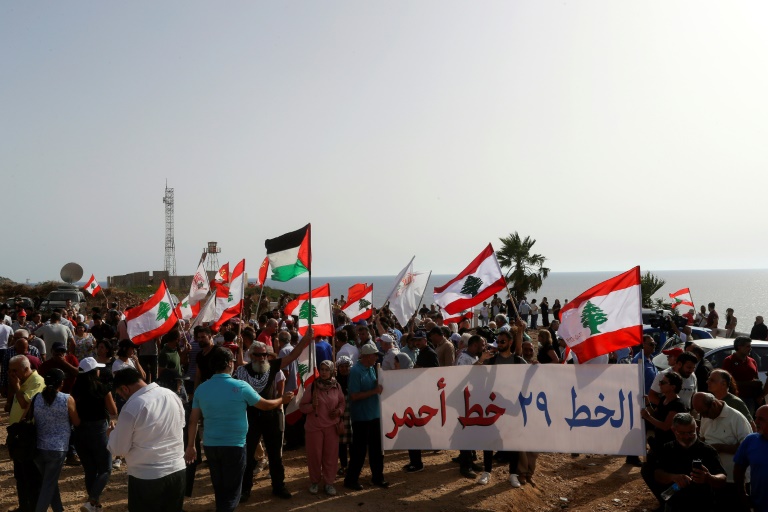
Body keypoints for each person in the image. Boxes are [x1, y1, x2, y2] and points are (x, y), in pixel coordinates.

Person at [185, 347, 294, 511]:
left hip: (211, 445)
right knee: (232, 489)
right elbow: (264, 405)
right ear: (230, 363)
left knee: (220, 485)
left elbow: (193, 421)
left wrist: (191, 446)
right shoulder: (241, 386)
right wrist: (282, 400)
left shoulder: (201, 389)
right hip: (234, 446)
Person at [233, 330, 312, 501]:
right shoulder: (242, 372)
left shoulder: (273, 366)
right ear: (251, 355)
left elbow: (292, 356)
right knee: (248, 456)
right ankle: (245, 489)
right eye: (258, 355)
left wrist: (305, 339)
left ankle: (279, 486)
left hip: (272, 417)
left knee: (275, 455)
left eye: (265, 355)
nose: (262, 358)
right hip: (250, 419)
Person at [108, 367, 186, 512]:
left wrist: (111, 434)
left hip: (147, 476)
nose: (122, 398)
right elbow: (181, 425)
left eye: (120, 394)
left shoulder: (131, 407)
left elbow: (119, 449)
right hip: (177, 470)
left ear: (125, 388)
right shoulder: (171, 395)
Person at [643, 413, 726, 512]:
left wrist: (709, 478)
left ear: (697, 428)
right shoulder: (667, 450)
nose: (687, 437)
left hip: (702, 504)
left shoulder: (708, 451)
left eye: (691, 432)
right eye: (682, 433)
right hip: (674, 505)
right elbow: (657, 474)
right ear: (674, 430)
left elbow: (722, 477)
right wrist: (672, 477)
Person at [478, 322, 527, 487]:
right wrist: (481, 360)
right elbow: (473, 374)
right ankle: (487, 472)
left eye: (502, 342)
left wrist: (535, 367)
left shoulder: (518, 361)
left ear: (510, 343)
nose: (499, 345)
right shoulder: (491, 361)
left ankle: (512, 473)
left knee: (512, 440)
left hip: (511, 407)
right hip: (492, 405)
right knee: (489, 440)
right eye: (497, 342)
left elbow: (531, 376)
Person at [71, 357, 118, 512]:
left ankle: (94, 505)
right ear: (93, 372)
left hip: (80, 431)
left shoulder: (75, 389)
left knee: (90, 469)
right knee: (106, 468)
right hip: (98, 431)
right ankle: (92, 500)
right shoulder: (102, 388)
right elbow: (113, 411)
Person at [30, 368, 81, 512]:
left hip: (38, 449)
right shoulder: (67, 399)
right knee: (48, 483)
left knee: (49, 482)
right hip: (57, 449)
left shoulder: (36, 397)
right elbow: (76, 422)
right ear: (62, 383)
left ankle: (59, 509)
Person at [692, 392, 751, 509]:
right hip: (713, 478)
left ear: (714, 404)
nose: (703, 417)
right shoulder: (705, 417)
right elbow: (702, 439)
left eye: (704, 412)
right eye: (700, 414)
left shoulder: (736, 418)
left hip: (735, 480)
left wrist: (721, 447)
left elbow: (747, 448)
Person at [344, 343, 387, 491]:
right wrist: (374, 391)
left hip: (374, 415)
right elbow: (354, 396)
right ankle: (351, 479)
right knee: (359, 451)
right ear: (367, 356)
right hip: (361, 417)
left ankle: (377, 477)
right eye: (374, 355)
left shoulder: (371, 368)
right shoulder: (356, 371)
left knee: (376, 449)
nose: (376, 357)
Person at [299, 360, 346, 496]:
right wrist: (311, 406)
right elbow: (302, 406)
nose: (324, 372)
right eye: (322, 369)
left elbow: (342, 403)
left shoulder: (336, 386)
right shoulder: (313, 387)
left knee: (330, 456)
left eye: (327, 369)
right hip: (314, 427)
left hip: (332, 427)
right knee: (315, 456)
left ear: (331, 371)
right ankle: (314, 482)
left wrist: (338, 412)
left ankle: (329, 483)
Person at [8, 354, 45, 512]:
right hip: (18, 436)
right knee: (20, 476)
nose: (12, 374)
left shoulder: (36, 382)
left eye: (14, 371)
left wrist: (15, 386)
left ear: (25, 368)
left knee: (31, 477)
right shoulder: (23, 381)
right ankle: (24, 506)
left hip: (28, 436)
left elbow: (25, 405)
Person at [456, 335, 494, 478]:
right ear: (473, 345)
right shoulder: (463, 358)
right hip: (464, 400)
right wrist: (481, 360)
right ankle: (465, 466)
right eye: (481, 345)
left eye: (484, 344)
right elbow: (463, 376)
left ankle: (470, 462)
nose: (483, 347)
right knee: (465, 432)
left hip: (473, 400)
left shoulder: (473, 357)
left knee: (472, 431)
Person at [641, 371, 689, 452]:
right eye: (660, 382)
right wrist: (648, 404)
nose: (659, 384)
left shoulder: (677, 405)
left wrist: (647, 417)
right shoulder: (664, 399)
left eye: (663, 383)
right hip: (660, 442)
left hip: (670, 446)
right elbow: (656, 415)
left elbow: (666, 426)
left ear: (673, 387)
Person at [734, 405, 768, 511]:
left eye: (761, 419)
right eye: (756, 417)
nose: (756, 422)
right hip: (759, 506)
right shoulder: (751, 440)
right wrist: (743, 495)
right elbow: (738, 469)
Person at [722, 336, 761, 412]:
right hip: (735, 398)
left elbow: (756, 378)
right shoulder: (729, 360)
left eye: (750, 346)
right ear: (739, 347)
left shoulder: (752, 361)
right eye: (747, 346)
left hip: (750, 399)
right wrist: (749, 384)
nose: (750, 349)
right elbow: (727, 382)